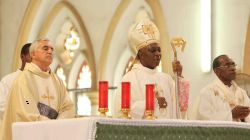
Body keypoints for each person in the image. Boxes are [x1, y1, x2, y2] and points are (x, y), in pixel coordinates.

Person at [0, 39, 75, 140]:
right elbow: (26, 108)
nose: (50, 51)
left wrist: (58, 124)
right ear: (33, 54)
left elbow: (68, 107)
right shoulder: (23, 80)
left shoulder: (57, 81)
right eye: (45, 48)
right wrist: (52, 125)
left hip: (56, 134)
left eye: (52, 49)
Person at [114, 19, 183, 119]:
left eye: (159, 50)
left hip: (168, 132)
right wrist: (152, 103)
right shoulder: (129, 79)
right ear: (141, 55)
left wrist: (178, 76)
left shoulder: (167, 79)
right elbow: (122, 112)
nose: (158, 54)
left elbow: (180, 105)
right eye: (152, 50)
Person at [196, 55, 250, 122]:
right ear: (217, 71)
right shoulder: (207, 92)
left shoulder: (242, 93)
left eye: (233, 64)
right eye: (227, 65)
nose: (233, 68)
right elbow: (203, 118)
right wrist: (231, 115)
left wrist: (243, 118)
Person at [0, 43, 32, 121]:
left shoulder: (40, 83)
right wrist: (25, 116)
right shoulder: (8, 80)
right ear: (22, 57)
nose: (35, 59)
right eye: (31, 55)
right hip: (14, 128)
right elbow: (1, 106)